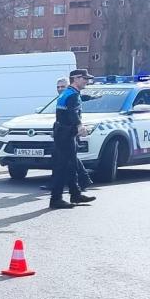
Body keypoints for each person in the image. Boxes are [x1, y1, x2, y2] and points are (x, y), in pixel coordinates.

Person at [50, 69, 97, 209]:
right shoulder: (72, 95)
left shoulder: (68, 93)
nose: (87, 81)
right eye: (84, 78)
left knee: (70, 166)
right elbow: (72, 112)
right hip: (66, 134)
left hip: (62, 133)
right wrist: (79, 126)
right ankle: (56, 199)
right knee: (63, 167)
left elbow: (70, 108)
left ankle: (75, 194)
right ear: (76, 79)